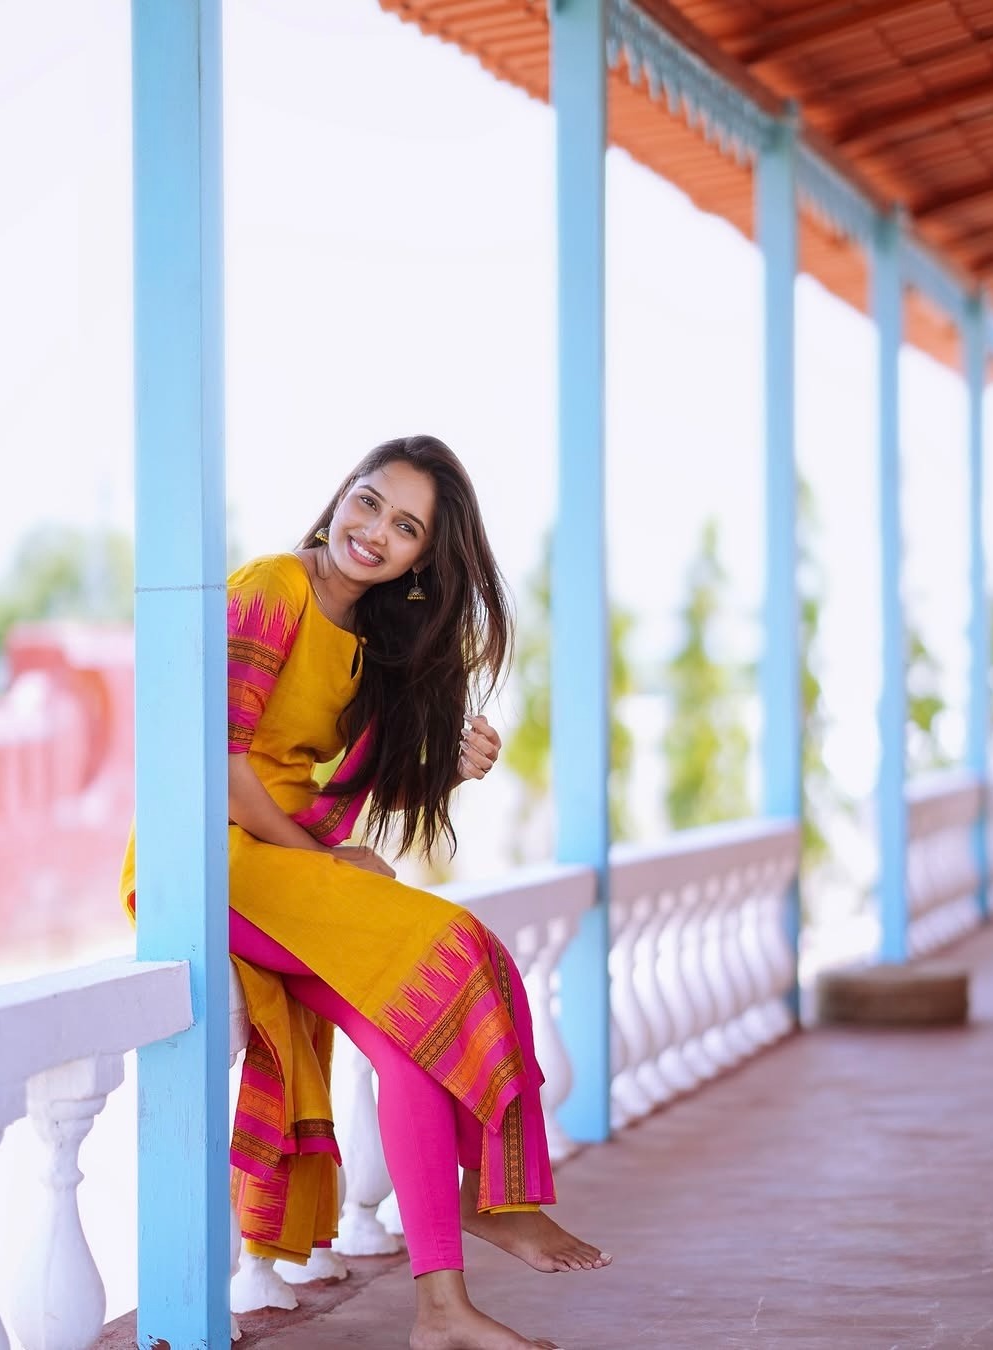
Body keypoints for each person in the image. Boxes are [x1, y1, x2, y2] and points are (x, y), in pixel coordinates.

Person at [121, 435, 611, 1350]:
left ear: (425, 557)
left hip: (280, 864)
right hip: (208, 860)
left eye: (405, 526)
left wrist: (447, 768)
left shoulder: (366, 643)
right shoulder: (273, 588)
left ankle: (441, 1310)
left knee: (410, 1045)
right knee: (456, 945)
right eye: (368, 500)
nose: (374, 530)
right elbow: (220, 764)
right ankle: (496, 1194)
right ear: (340, 494)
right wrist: (321, 858)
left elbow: (349, 787)